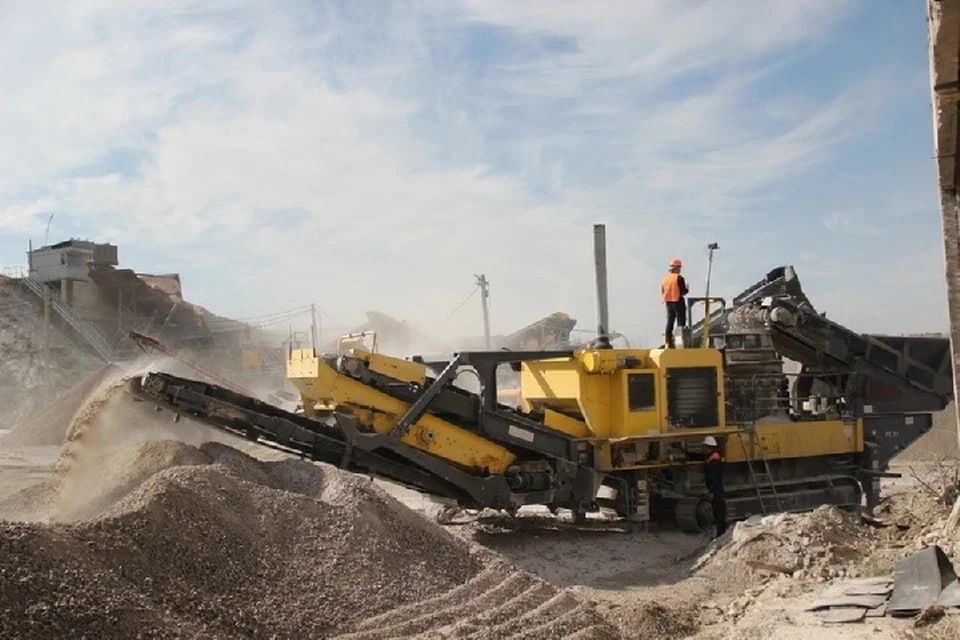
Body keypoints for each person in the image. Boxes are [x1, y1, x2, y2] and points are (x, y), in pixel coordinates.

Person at [661, 258, 689, 348]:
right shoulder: (679, 278)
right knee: (681, 323)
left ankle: (668, 342)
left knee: (670, 322)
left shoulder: (665, 279)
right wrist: (687, 289)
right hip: (678, 301)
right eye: (679, 267)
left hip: (668, 303)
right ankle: (680, 343)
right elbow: (683, 291)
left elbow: (663, 291)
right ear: (677, 268)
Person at [703, 435, 727, 538]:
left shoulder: (714, 461)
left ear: (709, 448)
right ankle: (720, 534)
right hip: (716, 489)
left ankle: (721, 534)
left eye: (704, 447)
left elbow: (714, 478)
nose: (703, 449)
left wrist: (712, 492)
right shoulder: (711, 458)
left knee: (719, 513)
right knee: (717, 512)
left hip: (716, 490)